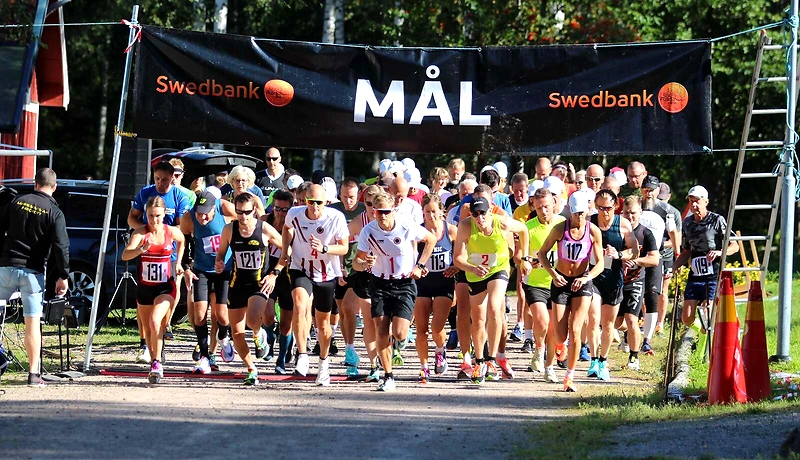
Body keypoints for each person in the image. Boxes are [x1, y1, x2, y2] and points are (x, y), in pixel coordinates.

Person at [353, 192, 437, 391]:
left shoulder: (405, 226)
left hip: (404, 283)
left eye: (385, 212)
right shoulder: (368, 231)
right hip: (380, 283)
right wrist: (365, 263)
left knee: (399, 333)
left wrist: (420, 265)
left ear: (392, 211)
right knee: (381, 331)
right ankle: (388, 376)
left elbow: (430, 239)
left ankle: (398, 339)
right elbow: (356, 262)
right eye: (376, 211)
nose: (381, 216)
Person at [0, 168, 69, 387]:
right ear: (54, 187)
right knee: (32, 322)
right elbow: (61, 246)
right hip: (33, 272)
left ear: (34, 183)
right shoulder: (54, 212)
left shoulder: (16, 202)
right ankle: (33, 374)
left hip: (6, 267)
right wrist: (63, 276)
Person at [273, 184, 349, 385]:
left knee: (322, 323)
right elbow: (287, 229)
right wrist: (284, 251)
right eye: (310, 202)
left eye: (319, 203)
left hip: (326, 273)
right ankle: (302, 354)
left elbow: (344, 248)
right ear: (304, 200)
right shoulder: (295, 214)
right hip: (301, 268)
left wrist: (325, 248)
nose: (314, 207)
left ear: (326, 202)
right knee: (299, 306)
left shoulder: (335, 218)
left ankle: (323, 363)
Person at [453, 196, 531, 384]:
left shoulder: (501, 222)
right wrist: (472, 268)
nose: (480, 219)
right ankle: (479, 359)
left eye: (483, 213)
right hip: (475, 272)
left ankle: (491, 359)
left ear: (490, 212)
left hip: (498, 269)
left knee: (495, 308)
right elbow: (457, 258)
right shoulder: (465, 226)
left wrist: (525, 257)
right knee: (478, 316)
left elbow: (523, 229)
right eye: (475, 214)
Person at [538, 192, 605, 392]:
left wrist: (586, 277)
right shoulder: (560, 229)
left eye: (582, 213)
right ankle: (560, 346)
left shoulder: (593, 231)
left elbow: (600, 263)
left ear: (588, 211)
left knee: (576, 329)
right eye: (576, 214)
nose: (579, 218)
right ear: (570, 211)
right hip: (560, 281)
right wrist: (552, 273)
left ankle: (570, 376)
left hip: (582, 282)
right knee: (560, 333)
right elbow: (542, 253)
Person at [215, 193, 284, 385]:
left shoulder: (263, 228)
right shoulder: (229, 229)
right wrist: (219, 263)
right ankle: (251, 368)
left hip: (259, 283)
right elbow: (220, 253)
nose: (243, 217)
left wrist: (274, 273)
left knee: (253, 320)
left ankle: (258, 332)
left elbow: (287, 251)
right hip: (237, 283)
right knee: (236, 332)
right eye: (239, 212)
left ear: (254, 210)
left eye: (246, 212)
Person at [128, 161, 191, 364]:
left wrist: (180, 259)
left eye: (164, 179)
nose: (160, 183)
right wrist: (146, 232)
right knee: (144, 299)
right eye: (157, 179)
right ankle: (144, 343)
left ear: (173, 178)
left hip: (169, 254)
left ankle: (164, 330)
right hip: (148, 252)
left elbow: (182, 231)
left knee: (170, 294)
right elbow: (132, 218)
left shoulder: (179, 196)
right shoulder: (145, 193)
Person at [122, 196, 186, 384]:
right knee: (149, 329)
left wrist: (179, 262)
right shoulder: (140, 233)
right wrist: (141, 250)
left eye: (157, 216)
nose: (154, 220)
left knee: (154, 320)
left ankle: (157, 362)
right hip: (145, 288)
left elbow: (183, 240)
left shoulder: (170, 231)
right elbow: (125, 255)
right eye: (150, 216)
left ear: (164, 214)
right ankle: (153, 362)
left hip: (165, 287)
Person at [586, 189, 639, 382]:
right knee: (593, 318)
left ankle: (603, 360)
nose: (604, 212)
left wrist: (619, 254)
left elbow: (634, 251)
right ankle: (592, 359)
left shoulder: (623, 225)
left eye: (608, 208)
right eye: (600, 207)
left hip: (613, 278)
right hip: (593, 276)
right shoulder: (589, 222)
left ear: (615, 206)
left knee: (608, 324)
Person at [180, 190, 234, 374]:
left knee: (222, 316)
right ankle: (204, 357)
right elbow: (182, 244)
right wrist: (186, 267)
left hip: (223, 270)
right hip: (201, 270)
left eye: (206, 213)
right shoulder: (189, 218)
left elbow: (246, 223)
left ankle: (224, 338)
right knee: (199, 315)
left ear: (214, 209)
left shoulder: (224, 207)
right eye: (199, 212)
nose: (202, 217)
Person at [519, 187, 565, 383]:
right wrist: (526, 261)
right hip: (535, 282)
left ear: (554, 203)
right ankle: (539, 349)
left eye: (546, 206)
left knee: (554, 328)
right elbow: (520, 255)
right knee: (542, 321)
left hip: (557, 282)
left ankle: (549, 367)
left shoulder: (563, 224)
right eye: (539, 208)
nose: (543, 211)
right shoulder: (528, 227)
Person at [675, 185, 738, 328]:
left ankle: (707, 339)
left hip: (712, 275)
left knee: (707, 314)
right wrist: (672, 267)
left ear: (706, 201)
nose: (694, 204)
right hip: (695, 275)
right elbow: (686, 251)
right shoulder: (687, 223)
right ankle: (700, 333)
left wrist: (720, 252)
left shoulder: (717, 220)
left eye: (697, 200)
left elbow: (735, 246)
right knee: (687, 319)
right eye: (691, 201)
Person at [413, 193, 459, 383]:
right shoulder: (418, 232)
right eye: (427, 212)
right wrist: (416, 267)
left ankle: (440, 351)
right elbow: (411, 255)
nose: (431, 216)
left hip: (444, 283)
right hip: (422, 284)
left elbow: (461, 254)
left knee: (436, 327)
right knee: (421, 329)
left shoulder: (451, 230)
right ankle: (424, 367)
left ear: (442, 212)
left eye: (434, 212)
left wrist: (455, 266)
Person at [617, 196, 660, 370]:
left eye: (633, 213)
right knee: (616, 323)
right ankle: (627, 332)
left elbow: (655, 259)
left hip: (636, 281)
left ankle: (634, 357)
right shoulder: (615, 232)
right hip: (616, 281)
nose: (630, 216)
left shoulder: (645, 233)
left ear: (640, 213)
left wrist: (636, 261)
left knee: (632, 318)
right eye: (626, 213)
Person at [346, 185, 383, 381]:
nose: (371, 208)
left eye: (375, 204)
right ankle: (373, 364)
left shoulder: (390, 220)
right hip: (365, 274)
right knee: (369, 321)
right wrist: (340, 267)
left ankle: (389, 353)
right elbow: (341, 240)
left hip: (387, 276)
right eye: (368, 204)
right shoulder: (358, 222)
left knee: (385, 323)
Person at [329, 178, 367, 373]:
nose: (348, 201)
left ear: (358, 195)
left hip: (357, 267)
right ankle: (348, 349)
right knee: (342, 312)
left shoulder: (364, 210)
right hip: (338, 266)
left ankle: (352, 349)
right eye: (344, 197)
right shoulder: (333, 211)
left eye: (351, 197)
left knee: (348, 307)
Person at [640, 175, 681, 342]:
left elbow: (675, 235)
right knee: (638, 291)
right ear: (642, 190)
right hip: (638, 256)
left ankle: (655, 328)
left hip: (661, 256)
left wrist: (677, 256)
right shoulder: (635, 205)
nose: (649, 193)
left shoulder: (667, 211)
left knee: (656, 292)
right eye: (646, 190)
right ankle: (638, 324)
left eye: (652, 190)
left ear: (658, 191)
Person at [260, 189, 295, 373]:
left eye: (284, 210)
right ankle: (270, 339)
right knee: (266, 313)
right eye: (277, 208)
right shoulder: (265, 221)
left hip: (287, 275)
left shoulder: (293, 226)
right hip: (268, 272)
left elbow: (289, 255)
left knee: (286, 324)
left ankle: (281, 359)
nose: (280, 213)